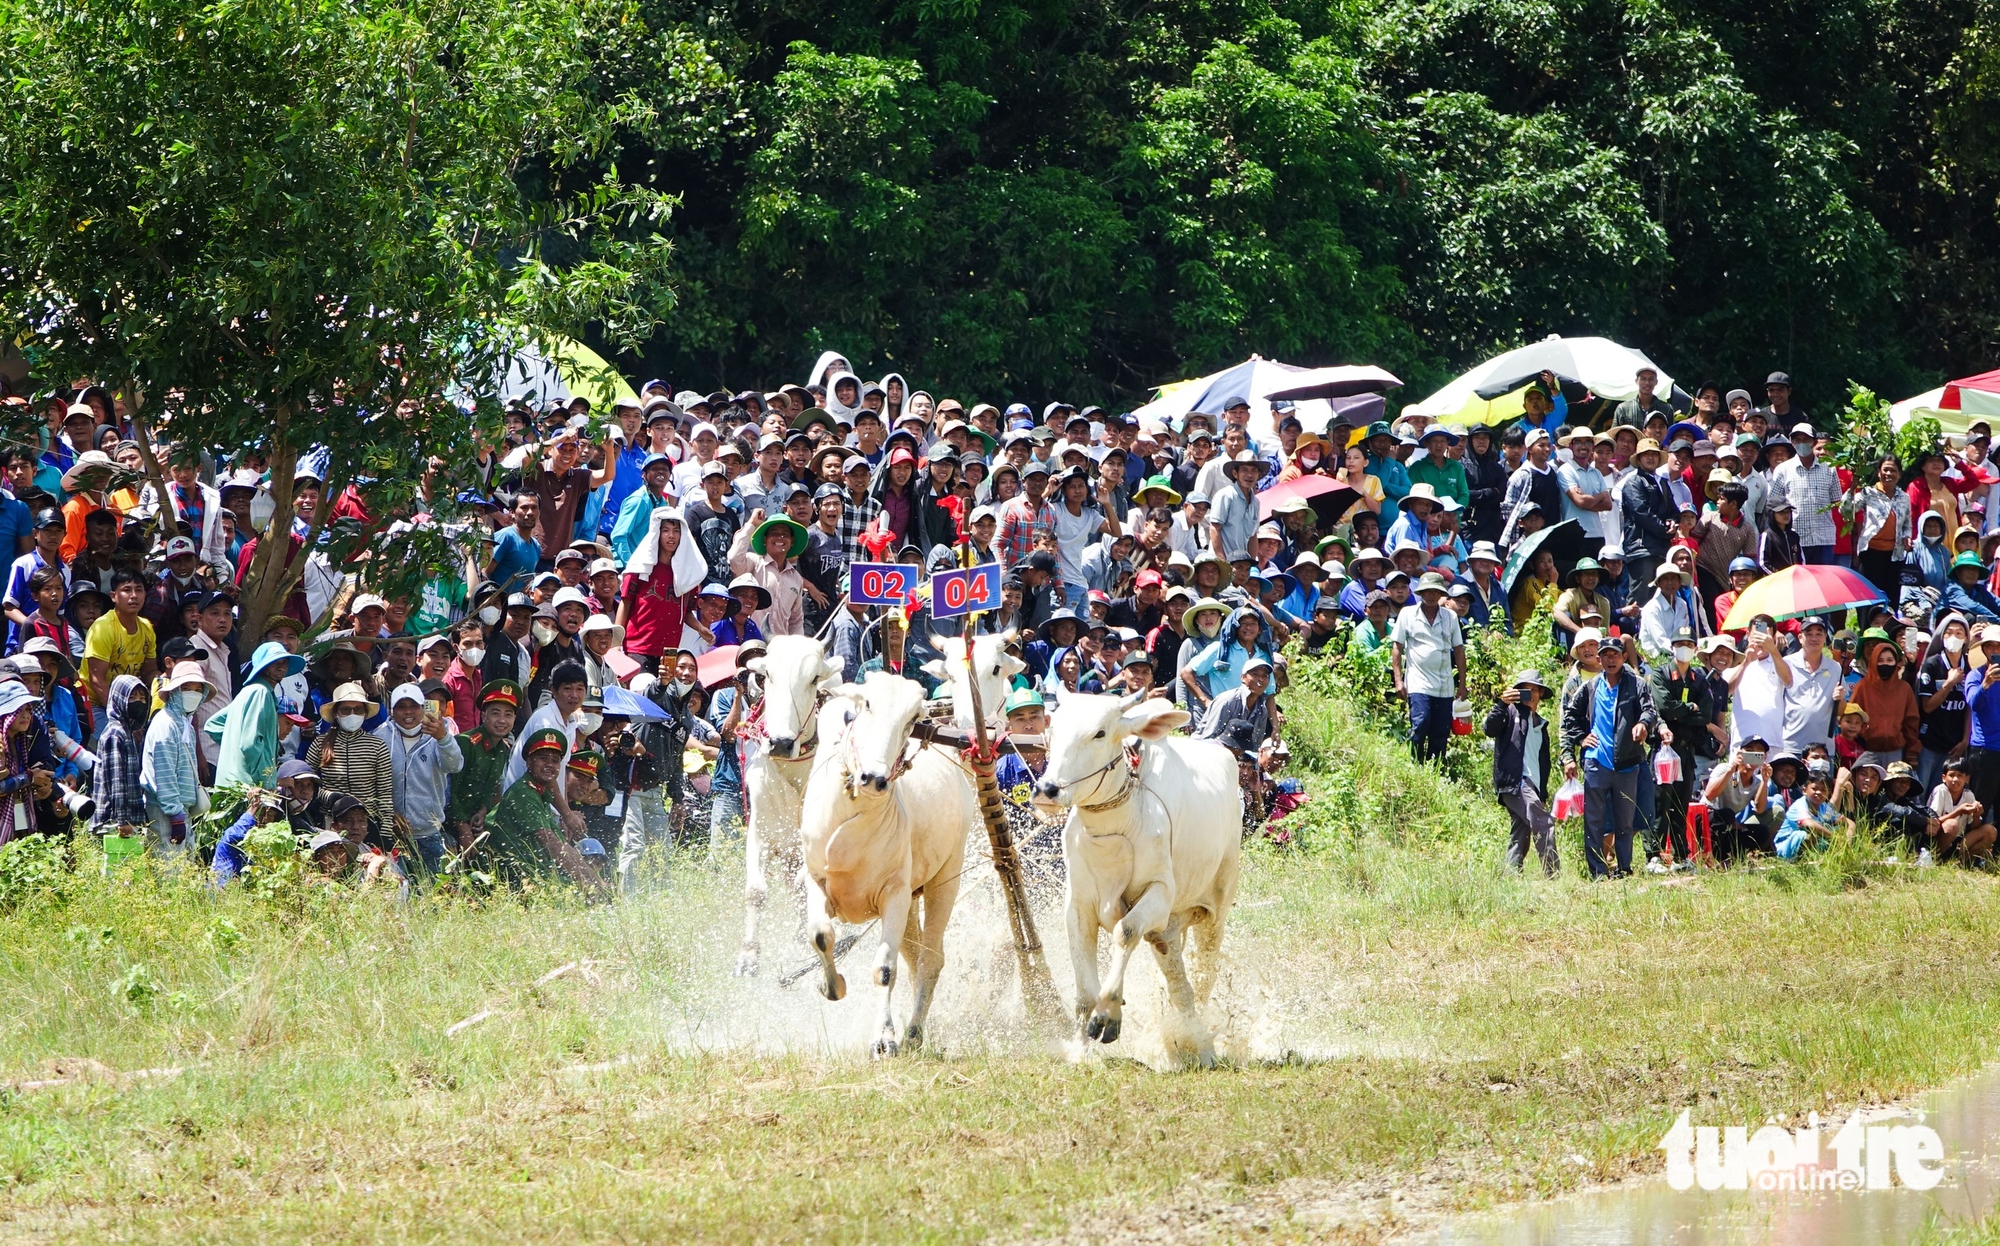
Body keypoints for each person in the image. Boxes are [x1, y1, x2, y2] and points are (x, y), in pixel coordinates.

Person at [1560, 635, 1657, 878]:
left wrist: (1643, 724)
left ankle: (1624, 868)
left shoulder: (1636, 684)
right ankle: (1598, 871)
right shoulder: (1590, 687)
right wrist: (1582, 738)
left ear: (1624, 657)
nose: (1610, 659)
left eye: (1615, 654)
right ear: (1599, 659)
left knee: (1625, 822)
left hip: (1627, 763)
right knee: (1594, 821)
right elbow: (1570, 716)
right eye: (1605, 655)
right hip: (1597, 761)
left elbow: (1650, 710)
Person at [482, 726, 606, 891]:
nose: (549, 765)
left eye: (555, 761)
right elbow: (552, 845)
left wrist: (599, 883)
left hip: (533, 873)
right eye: (543, 758)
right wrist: (586, 886)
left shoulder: (540, 793)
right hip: (514, 879)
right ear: (529, 762)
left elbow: (565, 847)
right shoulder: (523, 794)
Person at [378, 682, 464, 874]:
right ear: (392, 711)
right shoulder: (381, 736)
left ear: (422, 708)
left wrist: (443, 738)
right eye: (401, 707)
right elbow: (373, 784)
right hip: (391, 835)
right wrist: (388, 814)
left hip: (429, 834)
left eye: (414, 706)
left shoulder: (438, 734)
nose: (408, 712)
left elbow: (455, 765)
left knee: (430, 894)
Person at [1486, 670, 1557, 876]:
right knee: (1544, 823)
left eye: (1535, 689)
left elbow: (1543, 762)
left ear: (1541, 693)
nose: (1531, 694)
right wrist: (1501, 704)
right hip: (1515, 782)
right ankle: (1553, 875)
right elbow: (1489, 728)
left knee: (1521, 831)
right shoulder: (1509, 713)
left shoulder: (1541, 724)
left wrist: (1541, 792)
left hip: (1532, 785)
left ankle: (1510, 875)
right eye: (1525, 689)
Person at [1389, 571, 1465, 764]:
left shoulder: (1450, 617)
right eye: (1427, 591)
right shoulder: (1407, 614)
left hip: (1444, 684)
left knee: (1440, 730)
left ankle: (1434, 769)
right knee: (1420, 723)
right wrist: (1398, 680)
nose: (1430, 595)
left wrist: (1462, 684)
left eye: (1435, 591)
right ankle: (1415, 763)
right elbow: (1397, 647)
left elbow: (1459, 650)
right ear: (1420, 593)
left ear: (1441, 594)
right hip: (1418, 681)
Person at [307, 680, 396, 843]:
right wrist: (330, 797)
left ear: (365, 712)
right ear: (336, 713)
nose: (352, 714)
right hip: (331, 823)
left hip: (366, 824)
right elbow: (307, 785)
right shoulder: (320, 744)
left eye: (357, 710)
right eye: (346, 710)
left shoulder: (377, 746)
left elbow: (384, 794)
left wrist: (386, 833)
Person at [448, 680, 521, 854]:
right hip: (449, 824)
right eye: (496, 713)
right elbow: (448, 790)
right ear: (484, 715)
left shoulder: (503, 749)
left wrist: (482, 811)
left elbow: (491, 789)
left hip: (474, 827)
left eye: (508, 715)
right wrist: (462, 828)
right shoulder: (466, 744)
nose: (502, 720)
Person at [1928, 756, 1998, 865]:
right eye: (1951, 775)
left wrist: (1976, 815)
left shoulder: (1969, 795)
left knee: (1990, 830)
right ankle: (1935, 858)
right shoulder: (1941, 791)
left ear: (1967, 779)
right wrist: (1958, 812)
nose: (1955, 779)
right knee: (1952, 824)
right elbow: (1933, 821)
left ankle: (1961, 862)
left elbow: (1973, 828)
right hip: (1939, 837)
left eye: (1960, 776)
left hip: (1959, 841)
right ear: (1943, 777)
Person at [1775, 763, 1850, 858]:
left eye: (1823, 790)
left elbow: (1850, 822)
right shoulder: (1800, 804)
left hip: (1813, 845)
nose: (1819, 792)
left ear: (1828, 794)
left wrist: (1847, 840)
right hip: (1785, 846)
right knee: (1804, 834)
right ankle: (1797, 860)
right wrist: (1835, 838)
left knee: (1836, 827)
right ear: (1804, 790)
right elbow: (1809, 824)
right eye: (1814, 788)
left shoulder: (1823, 806)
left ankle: (1824, 856)